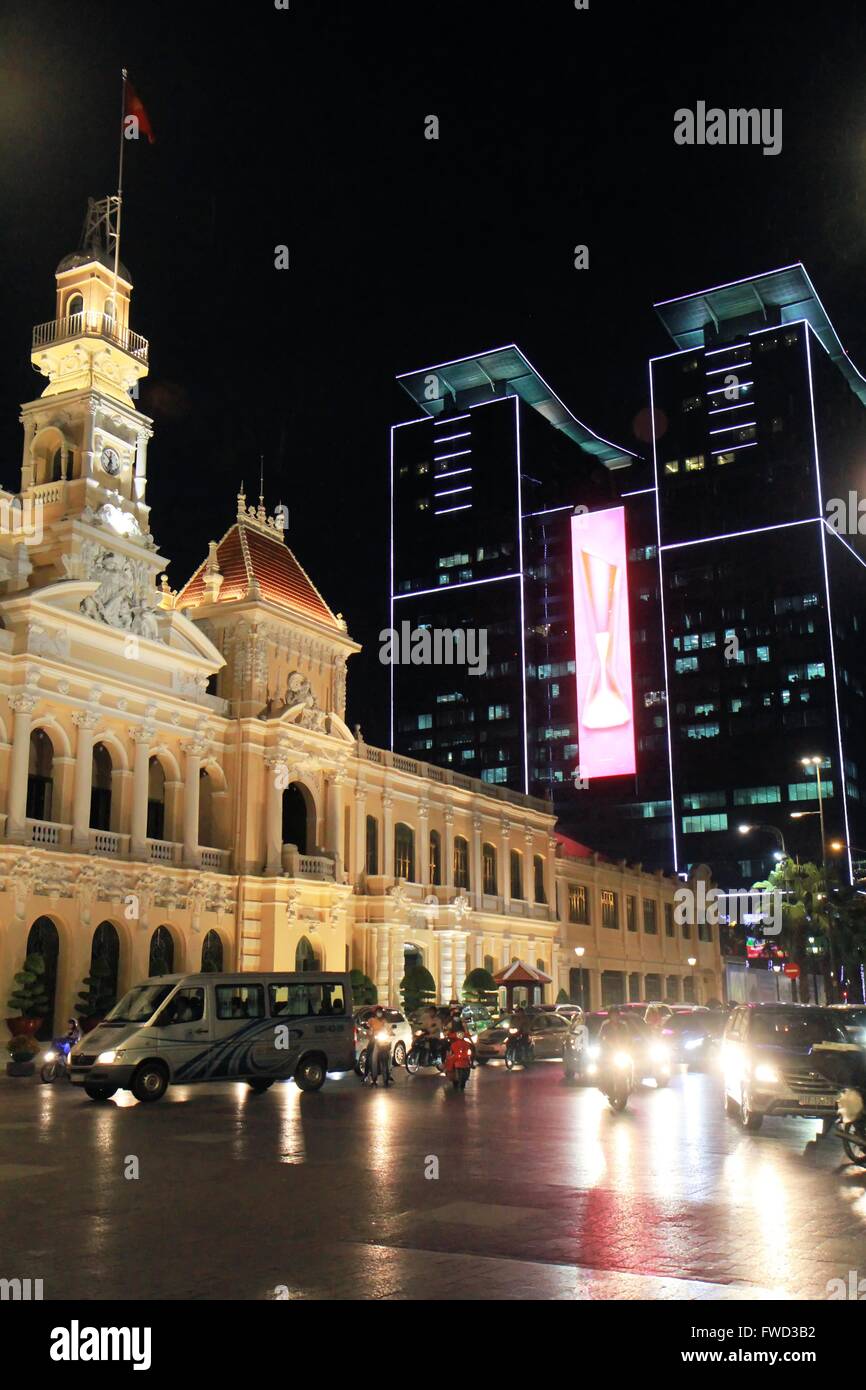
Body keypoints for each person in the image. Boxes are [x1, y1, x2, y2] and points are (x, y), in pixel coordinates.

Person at [365, 1006, 393, 1086]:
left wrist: (391, 1033)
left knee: (389, 1056)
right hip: (375, 1042)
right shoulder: (371, 1021)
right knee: (373, 1057)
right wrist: (370, 1032)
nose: (379, 1013)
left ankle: (389, 1072)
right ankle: (373, 1077)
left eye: (380, 1011)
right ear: (375, 1013)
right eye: (378, 1011)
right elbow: (369, 1029)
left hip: (384, 1042)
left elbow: (389, 1029)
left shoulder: (385, 1021)